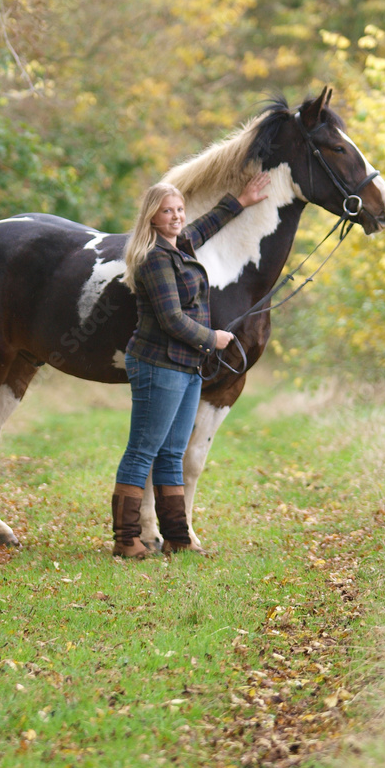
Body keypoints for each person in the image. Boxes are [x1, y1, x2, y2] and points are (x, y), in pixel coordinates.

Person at [111, 171, 271, 558]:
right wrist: (212, 339)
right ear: (152, 216)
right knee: (143, 450)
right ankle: (126, 538)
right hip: (159, 365)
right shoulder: (154, 259)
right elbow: (171, 319)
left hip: (186, 366)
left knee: (172, 451)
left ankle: (177, 537)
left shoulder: (178, 246)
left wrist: (241, 201)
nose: (177, 216)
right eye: (167, 211)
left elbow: (203, 227)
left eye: (179, 209)